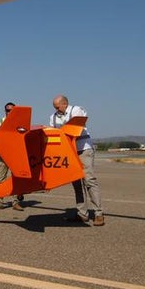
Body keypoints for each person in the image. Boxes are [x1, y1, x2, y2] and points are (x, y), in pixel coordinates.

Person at [50, 94, 104, 226]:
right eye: (55, 108)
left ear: (64, 104)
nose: (56, 110)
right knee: (76, 184)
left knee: (89, 180)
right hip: (69, 152)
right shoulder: (53, 117)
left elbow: (77, 126)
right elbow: (54, 133)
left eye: (58, 107)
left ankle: (98, 213)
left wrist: (63, 131)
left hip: (83, 149)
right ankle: (82, 214)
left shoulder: (77, 110)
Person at [0, 102, 23, 209]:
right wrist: (0, 141)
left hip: (16, 154)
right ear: (5, 111)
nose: (9, 112)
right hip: (3, 154)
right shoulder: (0, 122)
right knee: (1, 178)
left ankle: (15, 202)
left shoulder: (20, 123)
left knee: (16, 178)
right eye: (8, 110)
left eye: (12, 110)